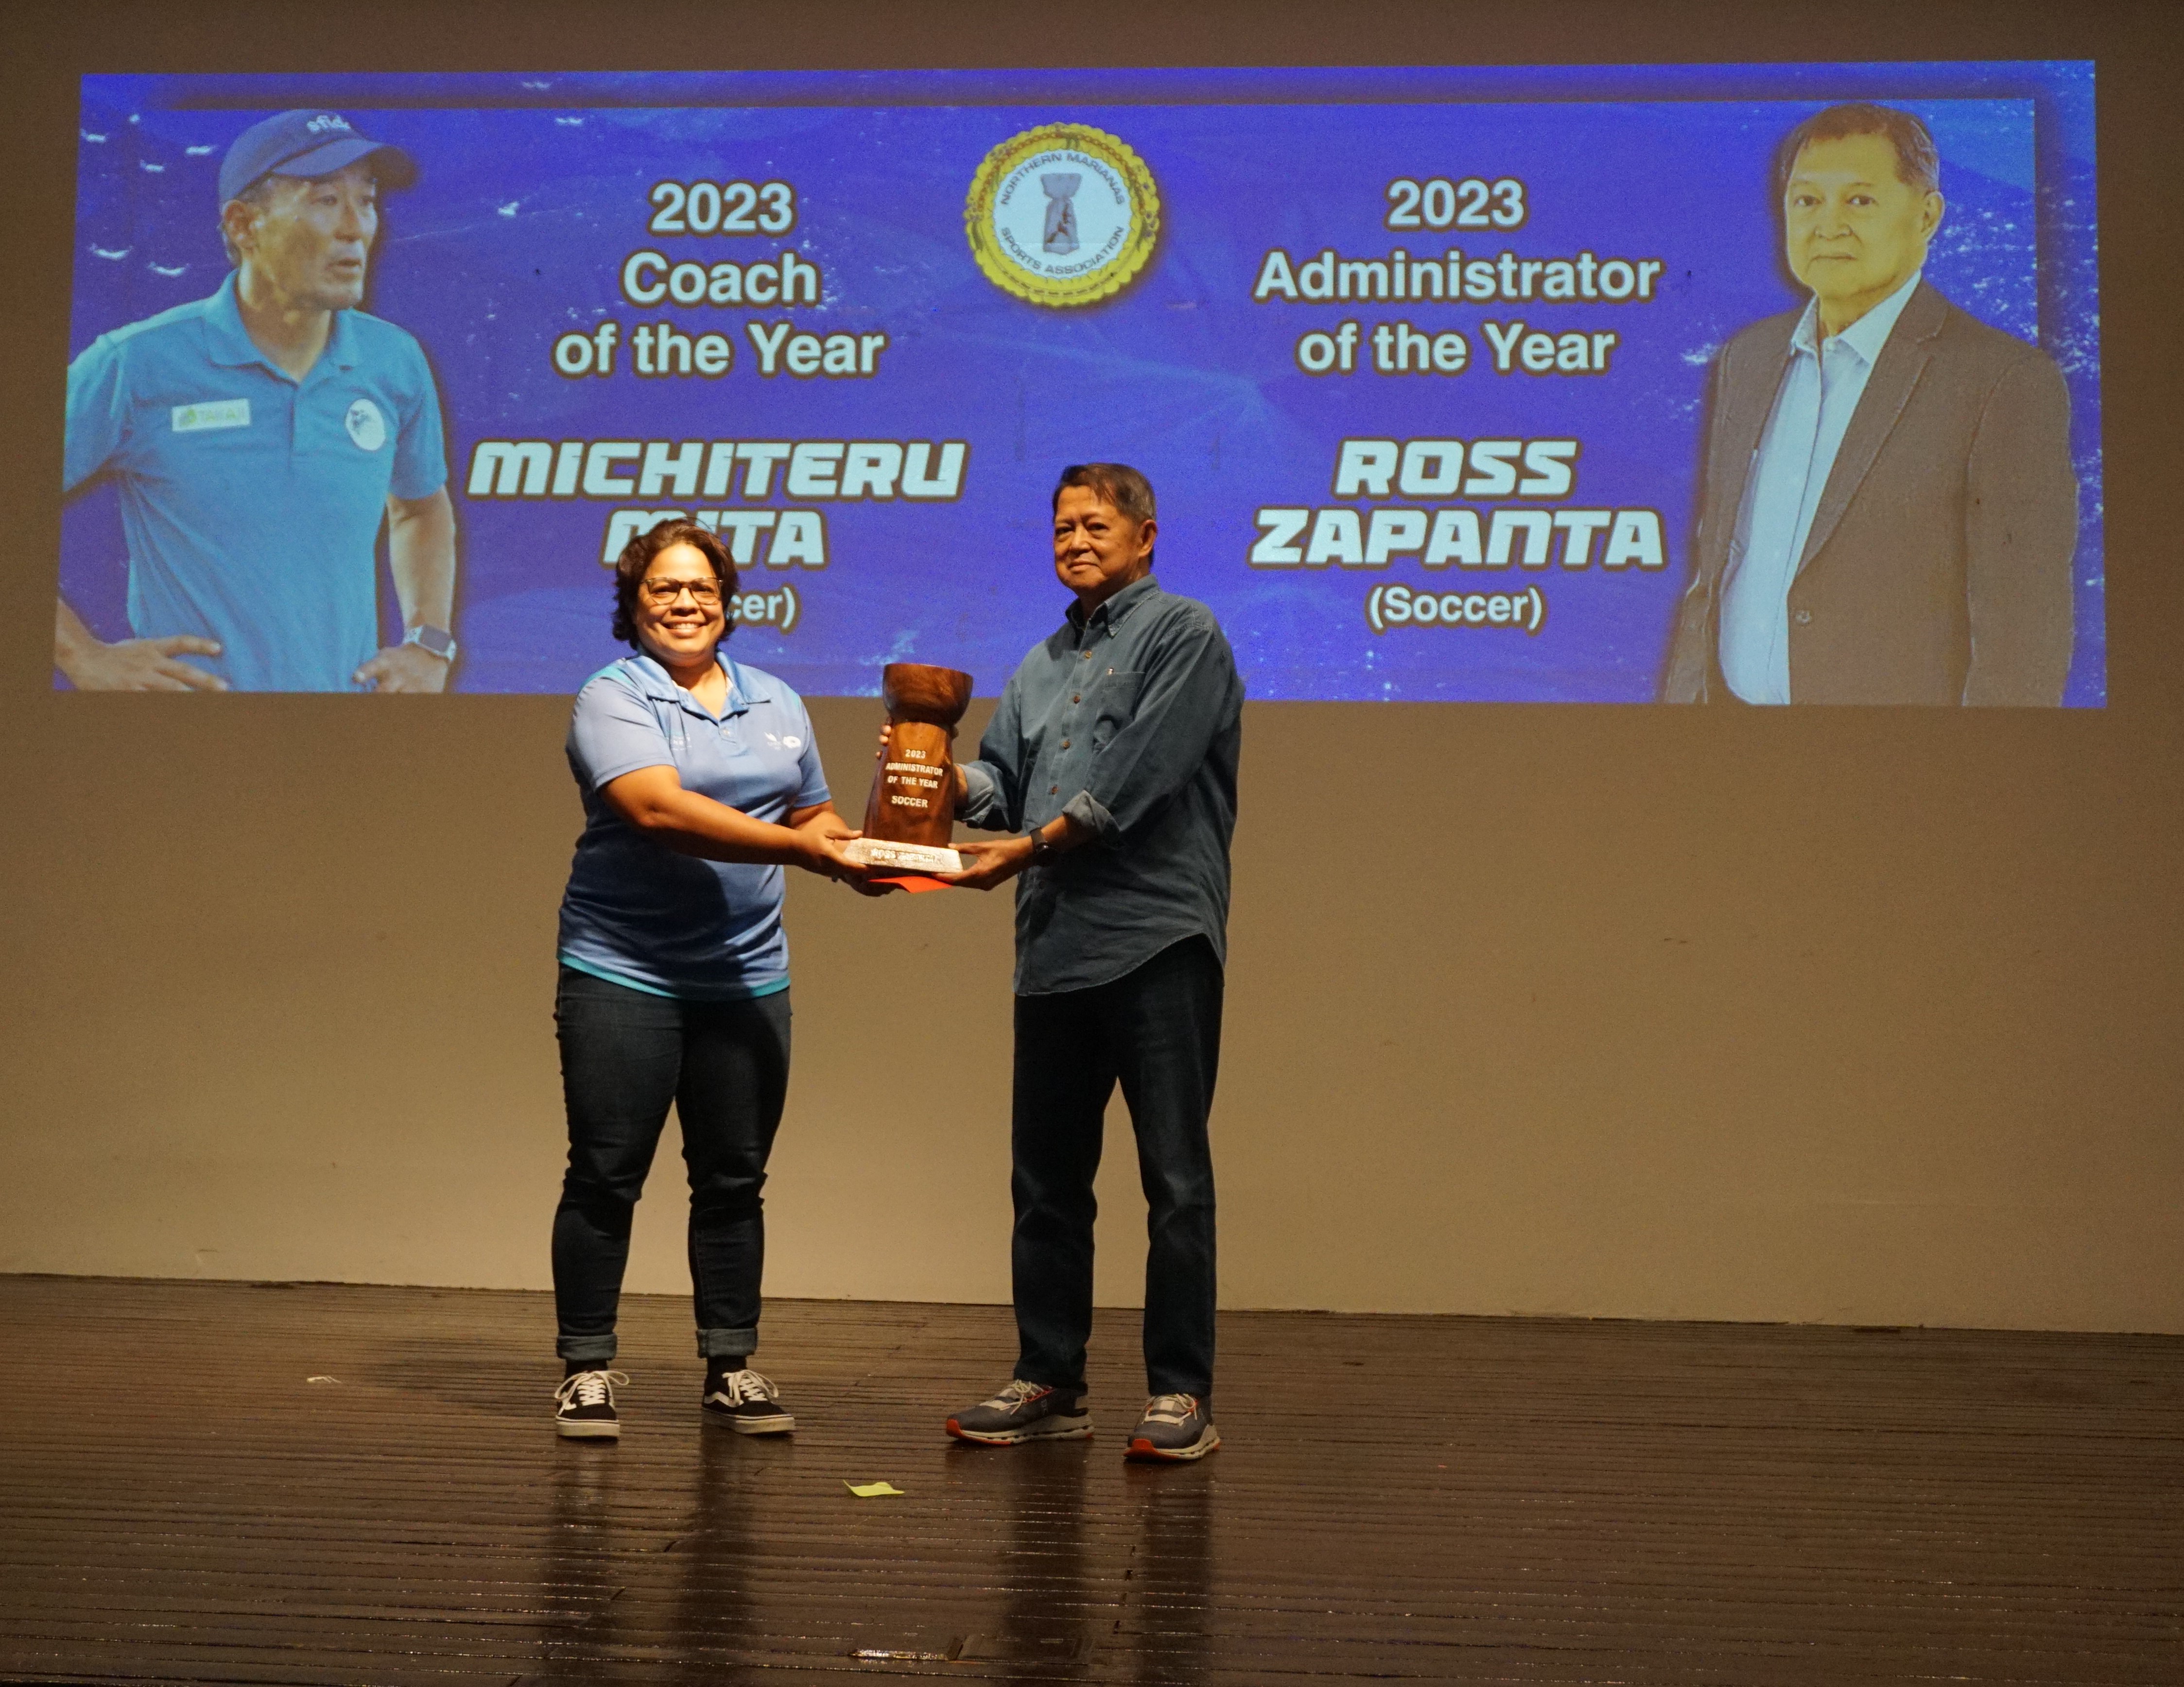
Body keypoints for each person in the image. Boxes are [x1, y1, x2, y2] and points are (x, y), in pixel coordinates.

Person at [936, 463, 1245, 1463]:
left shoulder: (1184, 633)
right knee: (1048, 1184)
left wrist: (1028, 845)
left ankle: (1179, 1391)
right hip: (1055, 950)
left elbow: (1137, 779)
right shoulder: (1037, 664)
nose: (1074, 539)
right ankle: (1051, 1377)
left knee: (1175, 1179)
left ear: (1145, 536)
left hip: (1157, 938)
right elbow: (1002, 784)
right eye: (1062, 526)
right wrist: (931, 779)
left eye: (1095, 524)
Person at [550, 519, 877, 1441]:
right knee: (607, 1174)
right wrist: (809, 854)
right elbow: (658, 811)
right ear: (634, 604)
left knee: (733, 1179)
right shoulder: (610, 697)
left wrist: (880, 847)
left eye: (701, 589)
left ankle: (730, 1364)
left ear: (728, 603)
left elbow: (814, 809)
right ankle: (586, 1366)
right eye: (665, 589)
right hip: (623, 972)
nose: (685, 604)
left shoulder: (775, 700)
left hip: (747, 977)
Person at [1663, 102, 2079, 705]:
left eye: (1860, 201)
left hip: (1892, 770)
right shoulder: (1747, 359)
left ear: (1928, 215)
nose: (1827, 225)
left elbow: (2023, 642)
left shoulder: (2004, 382)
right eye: (1806, 201)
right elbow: (1717, 571)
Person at [58, 108, 457, 692]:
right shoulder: (134, 364)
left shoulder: (393, 362)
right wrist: (81, 655)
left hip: (343, 744)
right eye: (325, 201)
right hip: (186, 754)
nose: (357, 228)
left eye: (366, 201)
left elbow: (421, 509)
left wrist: (430, 643)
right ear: (245, 225)